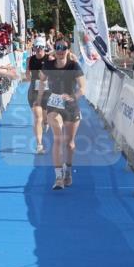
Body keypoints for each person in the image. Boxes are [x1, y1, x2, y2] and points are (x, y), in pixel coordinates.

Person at [40, 37, 86, 190]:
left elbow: (82, 88)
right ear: (54, 48)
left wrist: (72, 97)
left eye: (63, 47)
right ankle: (58, 177)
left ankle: (68, 172)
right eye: (57, 47)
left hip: (71, 107)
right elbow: (40, 81)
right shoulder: (48, 64)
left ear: (68, 49)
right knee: (58, 139)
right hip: (54, 106)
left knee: (70, 144)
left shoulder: (74, 66)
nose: (60, 50)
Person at [25, 39, 50, 153]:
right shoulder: (29, 59)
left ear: (44, 48)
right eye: (37, 47)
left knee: (45, 118)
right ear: (33, 48)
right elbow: (27, 75)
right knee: (38, 118)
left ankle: (46, 122)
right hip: (34, 93)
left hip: (47, 92)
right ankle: (39, 145)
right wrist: (35, 81)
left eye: (41, 47)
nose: (39, 49)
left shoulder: (50, 59)